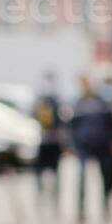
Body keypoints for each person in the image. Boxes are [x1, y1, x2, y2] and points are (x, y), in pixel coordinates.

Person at [67, 75, 112, 223]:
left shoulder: (103, 103)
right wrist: (72, 144)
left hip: (102, 145)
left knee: (105, 177)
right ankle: (81, 209)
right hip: (84, 145)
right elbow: (72, 127)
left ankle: (105, 206)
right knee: (82, 178)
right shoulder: (79, 104)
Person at [32, 72, 67, 202]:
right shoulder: (56, 102)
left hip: (45, 141)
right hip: (50, 141)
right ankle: (49, 194)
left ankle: (43, 194)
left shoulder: (41, 101)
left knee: (41, 171)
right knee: (50, 171)